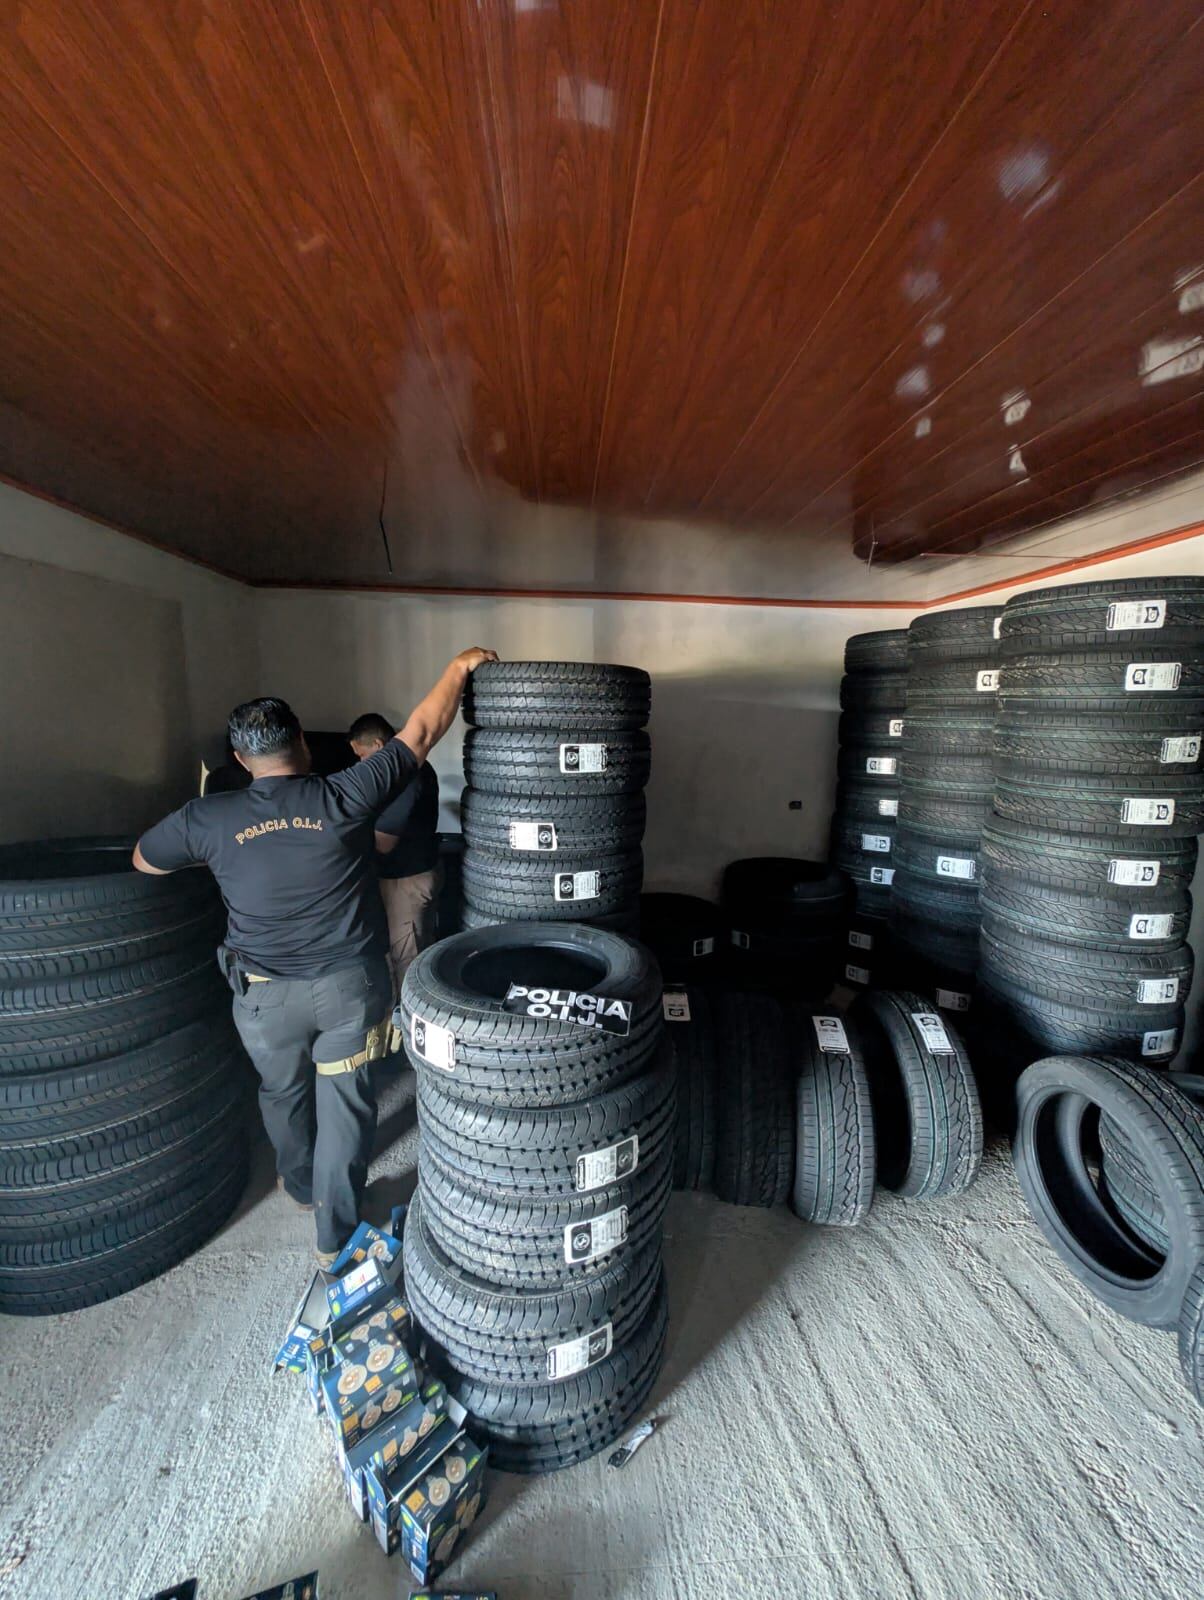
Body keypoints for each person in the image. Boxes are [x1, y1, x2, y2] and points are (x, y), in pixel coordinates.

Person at [132, 646, 497, 1267]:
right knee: (346, 1102)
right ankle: (335, 1234)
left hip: (262, 996)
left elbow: (144, 859)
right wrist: (459, 668)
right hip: (347, 988)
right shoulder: (344, 794)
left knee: (281, 1091)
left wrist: (220, 855)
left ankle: (300, 1186)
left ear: (240, 759)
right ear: (301, 743)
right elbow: (421, 731)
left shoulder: (207, 818)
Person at [347, 711, 442, 993]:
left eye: (362, 755)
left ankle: (405, 1017)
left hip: (405, 881)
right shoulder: (412, 768)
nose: (361, 763)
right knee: (418, 950)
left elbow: (383, 843)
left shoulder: (405, 777)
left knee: (406, 958)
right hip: (415, 872)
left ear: (378, 745)